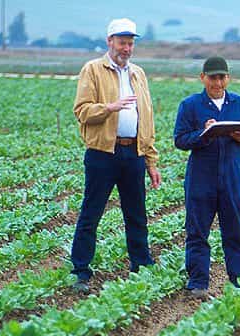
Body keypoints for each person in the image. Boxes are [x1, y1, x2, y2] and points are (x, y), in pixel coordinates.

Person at [70, 17, 161, 294]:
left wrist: (150, 160)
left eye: (130, 43)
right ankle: (81, 271)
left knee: (137, 214)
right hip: (102, 154)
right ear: (110, 41)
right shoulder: (93, 70)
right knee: (91, 213)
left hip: (133, 151)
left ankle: (141, 266)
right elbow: (82, 111)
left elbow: (147, 119)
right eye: (122, 42)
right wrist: (110, 107)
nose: (127, 48)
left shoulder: (138, 74)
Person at [174, 56, 240, 298]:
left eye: (222, 77)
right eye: (212, 77)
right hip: (201, 177)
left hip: (232, 177)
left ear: (228, 78)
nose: (217, 82)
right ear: (202, 78)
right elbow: (180, 139)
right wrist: (204, 134)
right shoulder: (190, 105)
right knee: (197, 231)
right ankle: (198, 282)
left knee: (235, 231)